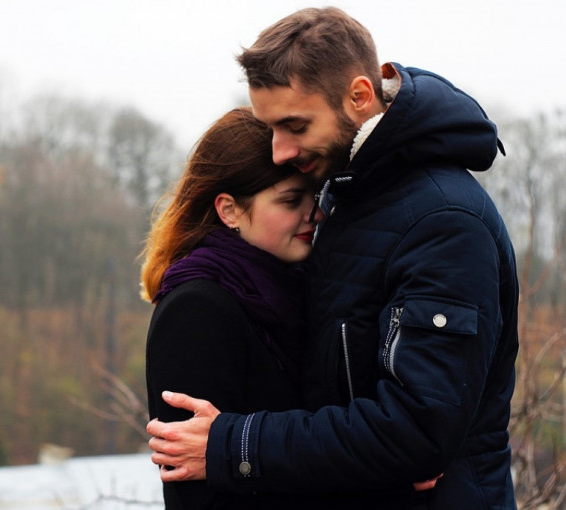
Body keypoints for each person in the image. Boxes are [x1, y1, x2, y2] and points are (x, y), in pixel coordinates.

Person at [146, 7, 519, 510]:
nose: (279, 151)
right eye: (270, 128)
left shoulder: (442, 222)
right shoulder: (346, 198)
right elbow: (345, 398)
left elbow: (415, 430)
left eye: (294, 125)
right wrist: (389, 466)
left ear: (359, 96)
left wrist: (234, 446)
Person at [140, 107, 320, 508]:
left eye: (316, 196)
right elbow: (195, 490)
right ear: (229, 210)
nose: (315, 213)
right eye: (292, 200)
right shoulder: (196, 310)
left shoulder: (299, 291)